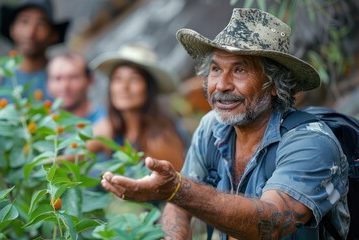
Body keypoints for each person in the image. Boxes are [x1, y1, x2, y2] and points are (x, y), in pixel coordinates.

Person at [100, 8, 349, 239]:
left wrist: (177, 189)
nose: (221, 85)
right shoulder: (213, 127)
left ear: (274, 84)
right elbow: (178, 206)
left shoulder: (311, 142)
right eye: (216, 69)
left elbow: (272, 222)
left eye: (240, 70)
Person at [88, 44, 186, 171]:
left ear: (149, 88)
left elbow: (180, 187)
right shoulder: (110, 127)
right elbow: (73, 155)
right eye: (118, 79)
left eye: (134, 79)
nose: (124, 87)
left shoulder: (160, 140)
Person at [0, 0, 70, 100]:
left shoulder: (61, 76)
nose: (30, 32)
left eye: (40, 24)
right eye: (24, 21)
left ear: (53, 35)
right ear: (12, 29)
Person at [47, 52, 106, 123]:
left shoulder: (107, 120)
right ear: (48, 84)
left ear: (90, 80)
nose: (65, 86)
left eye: (73, 77)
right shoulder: (40, 124)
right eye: (58, 78)